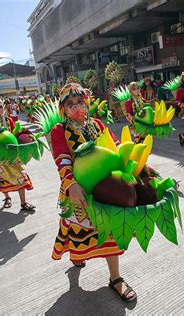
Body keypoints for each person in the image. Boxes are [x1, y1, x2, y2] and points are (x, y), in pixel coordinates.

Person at [50, 83, 137, 302]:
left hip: (104, 189)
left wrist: (130, 164)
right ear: (62, 109)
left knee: (109, 232)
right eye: (70, 104)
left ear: (87, 103)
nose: (76, 107)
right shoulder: (59, 130)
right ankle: (76, 259)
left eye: (80, 102)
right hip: (76, 190)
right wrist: (71, 184)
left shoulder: (97, 124)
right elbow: (62, 158)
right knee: (76, 232)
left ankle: (116, 278)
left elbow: (113, 147)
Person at [0, 98, 36, 212]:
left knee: (21, 174)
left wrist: (26, 136)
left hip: (12, 153)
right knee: (2, 177)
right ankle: (7, 198)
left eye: (0, 106)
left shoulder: (8, 120)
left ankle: (23, 202)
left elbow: (16, 134)